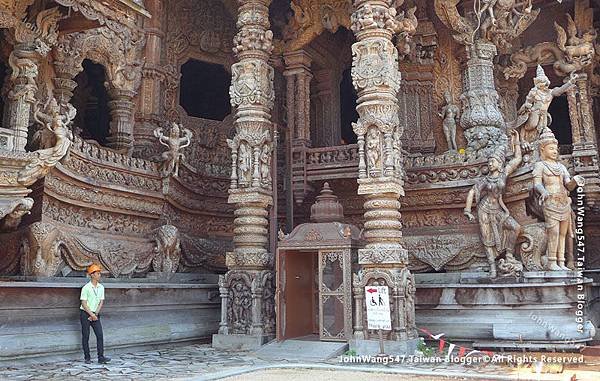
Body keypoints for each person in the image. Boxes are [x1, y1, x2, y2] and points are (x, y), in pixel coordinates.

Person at [80, 264, 111, 364]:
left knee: (100, 335)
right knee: (86, 335)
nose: (99, 275)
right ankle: (87, 357)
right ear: (92, 275)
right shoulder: (86, 288)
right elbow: (83, 303)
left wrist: (96, 314)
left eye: (99, 273)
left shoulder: (101, 287)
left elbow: (101, 301)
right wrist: (91, 314)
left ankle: (101, 357)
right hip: (85, 314)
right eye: (97, 273)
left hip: (95, 314)